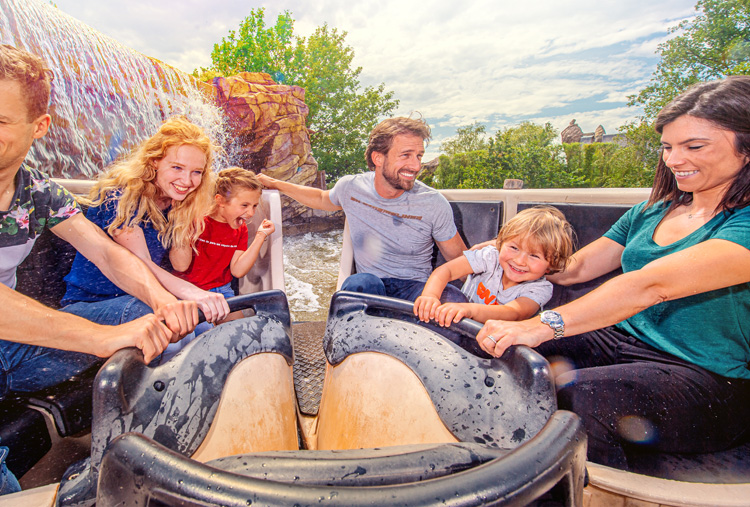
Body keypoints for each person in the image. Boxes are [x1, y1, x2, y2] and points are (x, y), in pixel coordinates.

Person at [476, 76, 750, 471]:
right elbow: (576, 268)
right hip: (623, 342)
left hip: (707, 377)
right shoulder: (649, 212)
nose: (673, 160)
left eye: (694, 146)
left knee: (582, 397)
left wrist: (541, 324)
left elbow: (652, 285)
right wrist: (518, 257)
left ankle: (595, 491)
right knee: (508, 359)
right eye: (668, 147)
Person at [0, 44, 198, 494]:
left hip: (13, 348)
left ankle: (134, 457)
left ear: (39, 127)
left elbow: (107, 253)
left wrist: (163, 303)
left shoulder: (39, 193)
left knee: (144, 314)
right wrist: (100, 338)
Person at [258, 116, 467, 302]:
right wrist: (276, 184)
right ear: (378, 158)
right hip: (371, 287)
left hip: (416, 291)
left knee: (454, 299)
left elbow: (459, 261)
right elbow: (321, 198)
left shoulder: (433, 203)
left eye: (419, 156)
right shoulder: (352, 188)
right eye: (406, 155)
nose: (415, 166)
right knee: (358, 284)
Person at [61, 116, 231, 337]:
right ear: (154, 162)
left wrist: (186, 219)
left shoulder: (177, 203)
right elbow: (141, 263)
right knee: (161, 317)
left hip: (139, 300)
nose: (187, 180)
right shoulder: (120, 196)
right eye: (177, 167)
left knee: (200, 324)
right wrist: (194, 293)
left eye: (196, 172)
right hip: (90, 305)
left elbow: (180, 266)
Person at [414, 206, 574, 326]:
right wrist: (430, 296)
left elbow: (514, 313)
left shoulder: (540, 288)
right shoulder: (491, 256)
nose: (519, 261)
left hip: (493, 341)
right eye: (514, 248)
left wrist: (469, 311)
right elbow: (446, 270)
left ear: (550, 265)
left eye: (534, 256)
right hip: (458, 325)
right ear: (501, 244)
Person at [170, 167, 275, 334]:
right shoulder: (198, 221)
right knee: (202, 335)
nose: (251, 213)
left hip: (221, 291)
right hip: (189, 290)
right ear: (220, 201)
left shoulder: (240, 229)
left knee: (243, 334)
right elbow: (180, 266)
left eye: (254, 206)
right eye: (244, 205)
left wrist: (260, 236)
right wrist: (183, 222)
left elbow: (238, 270)